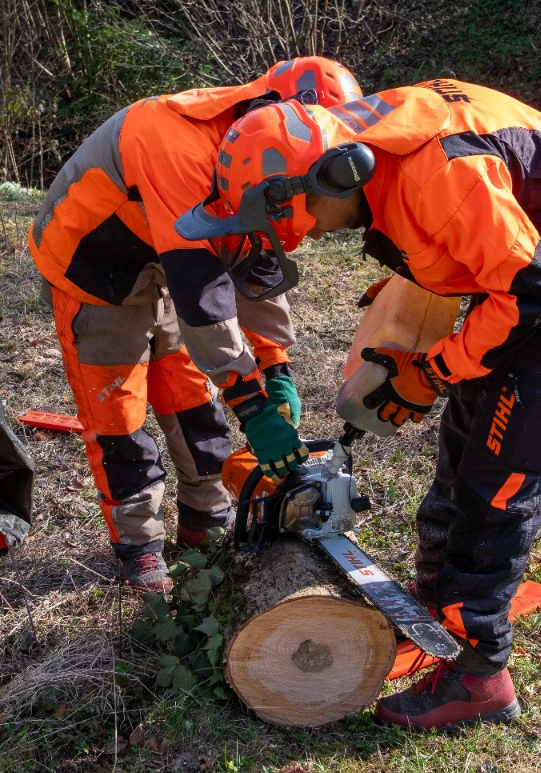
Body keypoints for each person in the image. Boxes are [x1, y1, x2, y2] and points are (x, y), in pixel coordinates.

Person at [176, 78, 541, 729]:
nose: (295, 238)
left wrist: (432, 371)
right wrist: (419, 285)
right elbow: (466, 236)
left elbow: (530, 290)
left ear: (329, 177)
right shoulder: (373, 158)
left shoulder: (438, 175)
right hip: (511, 274)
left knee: (498, 482)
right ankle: (431, 614)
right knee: (461, 449)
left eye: (289, 219)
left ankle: (481, 676)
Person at [27, 58, 364, 593]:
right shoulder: (177, 145)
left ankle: (205, 519)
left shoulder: (264, 158)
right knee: (120, 416)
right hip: (93, 265)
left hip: (162, 262)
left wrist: (275, 369)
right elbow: (203, 287)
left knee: (191, 400)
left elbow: (256, 265)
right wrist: (252, 405)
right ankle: (138, 547)